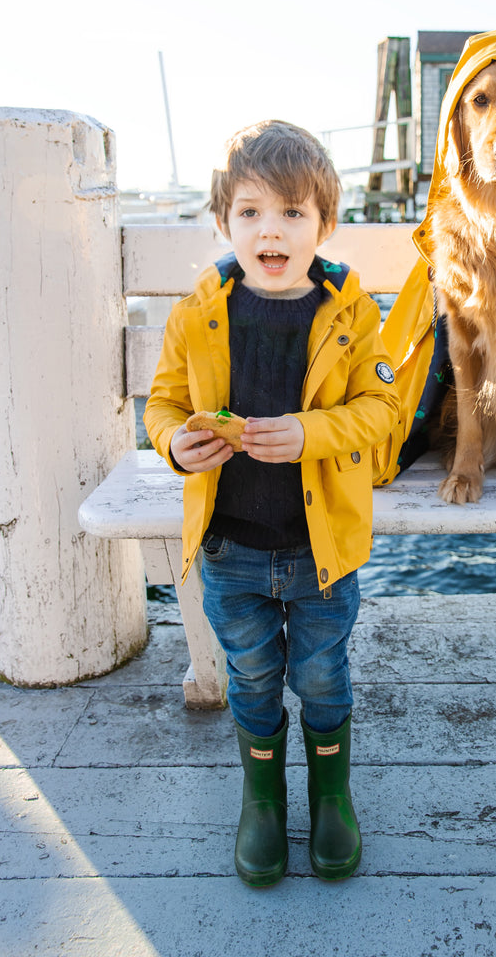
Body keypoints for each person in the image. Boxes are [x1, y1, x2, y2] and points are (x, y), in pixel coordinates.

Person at [144, 120, 400, 887]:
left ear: (326, 224)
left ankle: (330, 795)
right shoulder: (199, 312)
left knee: (322, 674)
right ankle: (262, 799)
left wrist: (310, 433)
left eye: (293, 213)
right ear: (223, 221)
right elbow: (162, 403)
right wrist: (171, 443)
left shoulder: (353, 314)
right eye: (251, 212)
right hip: (231, 548)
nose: (272, 231)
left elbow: (382, 411)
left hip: (322, 550)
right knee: (252, 677)